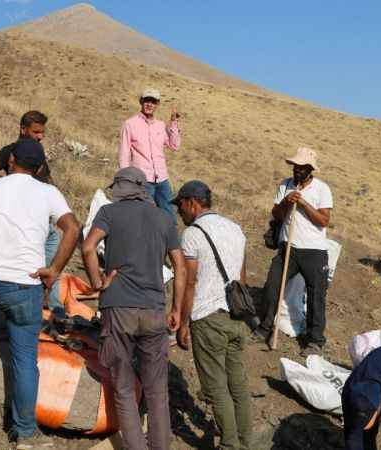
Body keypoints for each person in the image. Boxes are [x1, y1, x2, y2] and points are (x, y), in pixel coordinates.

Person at [0, 138, 81, 447]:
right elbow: (73, 228)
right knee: (26, 360)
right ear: (40, 168)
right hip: (24, 288)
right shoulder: (48, 192)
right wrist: (54, 270)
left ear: (10, 160)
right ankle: (25, 432)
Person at [81, 167, 186, 450]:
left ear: (119, 188)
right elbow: (180, 265)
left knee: (125, 389)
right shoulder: (164, 218)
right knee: (157, 391)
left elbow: (88, 247)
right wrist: (177, 309)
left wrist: (97, 282)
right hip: (154, 310)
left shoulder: (109, 213)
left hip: (118, 309)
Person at [172, 180, 253, 450]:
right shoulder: (236, 229)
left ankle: (230, 445)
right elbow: (241, 278)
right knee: (238, 386)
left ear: (191, 203)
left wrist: (183, 322)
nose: (179, 213)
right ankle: (246, 442)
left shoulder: (193, 234)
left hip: (208, 317)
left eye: (180, 206)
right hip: (237, 317)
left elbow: (190, 281)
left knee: (216, 388)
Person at [0, 111, 65, 317]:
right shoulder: (12, 150)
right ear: (23, 129)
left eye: (42, 132)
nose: (40, 136)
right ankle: (32, 313)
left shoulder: (37, 151)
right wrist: (8, 189)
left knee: (53, 269)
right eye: (36, 132)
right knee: (31, 270)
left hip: (46, 224)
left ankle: (55, 314)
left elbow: (48, 180)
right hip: (27, 223)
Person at [251, 147, 333, 356]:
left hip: (314, 251)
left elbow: (324, 221)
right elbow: (276, 214)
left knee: (316, 297)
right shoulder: (285, 185)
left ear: (310, 170)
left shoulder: (322, 189)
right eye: (295, 166)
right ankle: (264, 328)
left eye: (301, 167)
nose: (297, 170)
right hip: (287, 246)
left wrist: (304, 203)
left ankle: (315, 341)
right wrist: (286, 203)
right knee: (272, 287)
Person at [118, 88, 181, 222]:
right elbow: (124, 153)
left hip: (162, 179)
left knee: (169, 217)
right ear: (141, 102)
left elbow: (175, 145)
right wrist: (126, 179)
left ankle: (169, 242)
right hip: (142, 181)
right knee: (143, 218)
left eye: (153, 101)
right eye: (147, 100)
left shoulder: (160, 125)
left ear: (157, 104)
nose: (149, 104)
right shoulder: (130, 124)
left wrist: (174, 123)